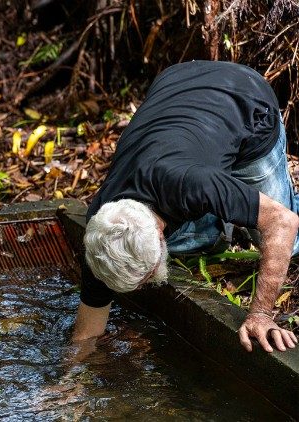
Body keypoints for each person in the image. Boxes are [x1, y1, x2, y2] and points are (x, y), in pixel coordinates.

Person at [74, 60, 299, 354]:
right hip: (177, 81)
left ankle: (236, 206)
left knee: (286, 244)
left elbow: (282, 221)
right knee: (186, 242)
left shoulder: (193, 185)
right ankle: (227, 214)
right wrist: (70, 384)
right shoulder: (103, 230)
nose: (144, 288)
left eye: (142, 281)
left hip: (245, 100)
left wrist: (260, 314)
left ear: (157, 235)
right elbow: (87, 331)